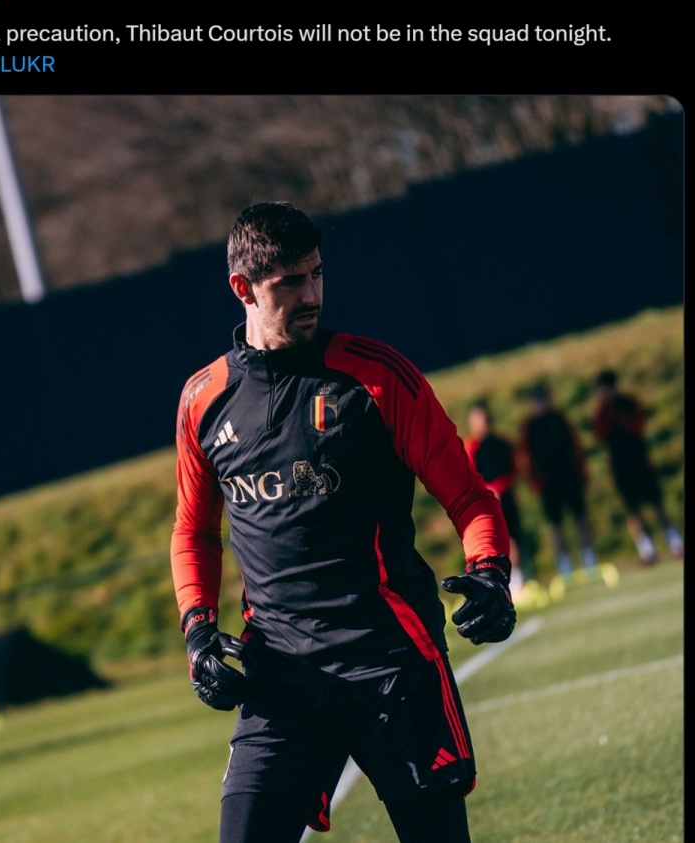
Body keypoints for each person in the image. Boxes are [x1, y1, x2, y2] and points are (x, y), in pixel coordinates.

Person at [170, 201, 517, 843]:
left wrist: (491, 571)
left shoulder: (377, 378)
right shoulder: (203, 399)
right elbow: (193, 531)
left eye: (318, 274)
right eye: (291, 282)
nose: (313, 295)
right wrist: (197, 631)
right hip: (282, 677)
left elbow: (469, 496)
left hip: (391, 666)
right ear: (243, 288)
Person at [592, 369, 683, 564]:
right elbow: (599, 435)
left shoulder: (628, 402)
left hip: (639, 461)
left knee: (657, 504)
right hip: (620, 466)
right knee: (633, 511)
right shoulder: (602, 412)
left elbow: (638, 426)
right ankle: (647, 550)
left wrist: (618, 416)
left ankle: (675, 542)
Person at [518, 383, 598, 578]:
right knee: (555, 525)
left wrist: (582, 472)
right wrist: (534, 482)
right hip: (548, 482)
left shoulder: (559, 419)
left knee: (580, 518)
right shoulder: (530, 427)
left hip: (568, 475)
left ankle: (589, 557)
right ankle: (564, 564)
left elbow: (575, 446)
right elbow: (525, 458)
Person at [463, 400, 536, 595]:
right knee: (486, 544)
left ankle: (517, 581)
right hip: (482, 503)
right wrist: (488, 491)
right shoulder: (470, 448)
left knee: (511, 538)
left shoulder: (501, 444)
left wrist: (500, 488)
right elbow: (468, 475)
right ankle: (491, 584)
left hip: (505, 498)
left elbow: (513, 469)